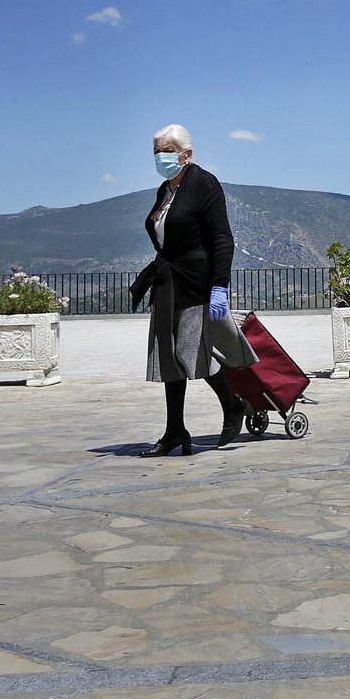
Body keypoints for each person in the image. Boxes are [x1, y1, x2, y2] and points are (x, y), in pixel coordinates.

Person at [129, 124, 258, 456]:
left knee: (190, 352)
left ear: (186, 154)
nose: (161, 156)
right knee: (168, 357)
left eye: (167, 150)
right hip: (168, 280)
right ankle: (175, 431)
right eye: (157, 150)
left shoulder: (204, 184)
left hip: (195, 281)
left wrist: (220, 286)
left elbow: (221, 238)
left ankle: (232, 404)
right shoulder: (165, 190)